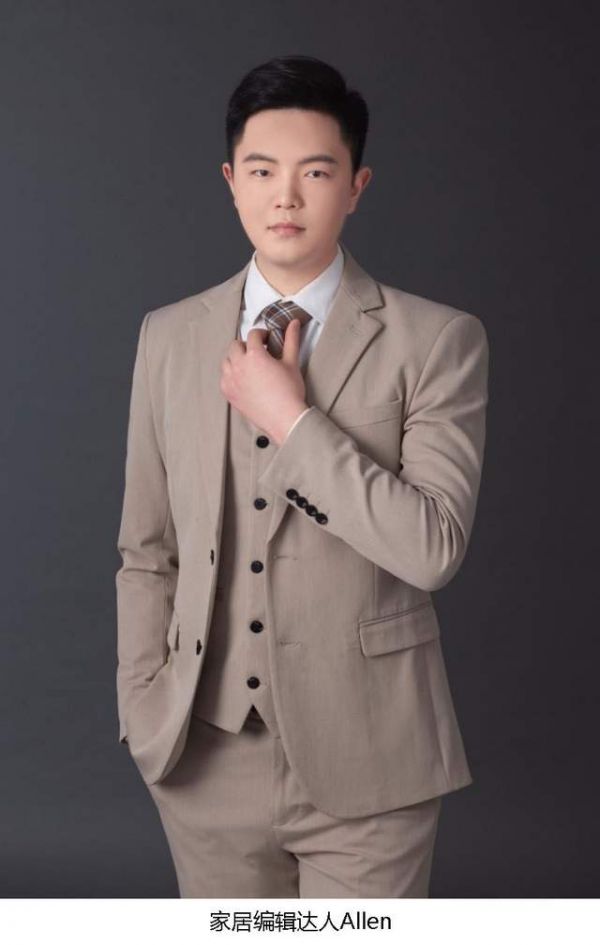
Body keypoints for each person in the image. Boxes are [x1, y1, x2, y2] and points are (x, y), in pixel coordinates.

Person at [115, 54, 489, 898]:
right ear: (230, 182)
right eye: (262, 171)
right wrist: (144, 705)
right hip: (204, 762)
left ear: (355, 186)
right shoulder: (168, 336)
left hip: (374, 762)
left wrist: (291, 420)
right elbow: (146, 549)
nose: (285, 196)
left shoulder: (437, 340)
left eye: (315, 173)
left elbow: (433, 546)